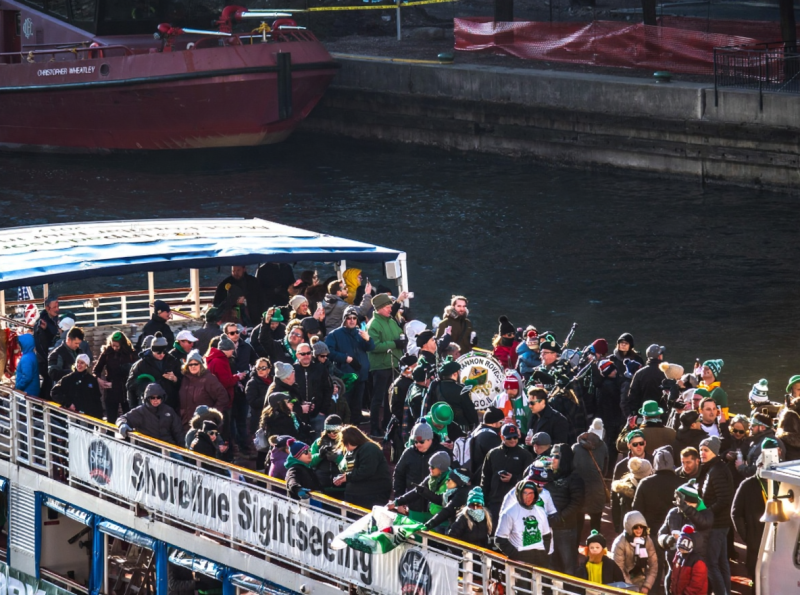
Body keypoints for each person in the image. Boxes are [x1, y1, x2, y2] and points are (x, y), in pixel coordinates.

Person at [731, 440, 776, 579]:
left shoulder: (781, 483)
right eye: (763, 465)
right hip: (756, 543)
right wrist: (748, 537)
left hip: (778, 542)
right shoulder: (747, 485)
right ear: (758, 466)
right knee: (756, 579)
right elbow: (735, 513)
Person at [658, 481, 713, 591]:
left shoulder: (705, 514)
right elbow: (661, 533)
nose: (681, 507)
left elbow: (703, 523)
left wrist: (686, 509)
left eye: (686, 503)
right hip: (674, 564)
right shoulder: (673, 513)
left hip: (693, 566)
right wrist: (666, 540)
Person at [324, 306, 374, 426]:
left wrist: (368, 339)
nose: (352, 320)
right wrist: (345, 358)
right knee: (346, 401)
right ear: (344, 319)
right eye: (349, 318)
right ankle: (344, 424)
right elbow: (328, 352)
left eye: (354, 318)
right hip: (345, 374)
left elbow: (371, 348)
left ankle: (356, 422)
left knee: (358, 401)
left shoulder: (360, 333)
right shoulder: (335, 334)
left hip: (361, 373)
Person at [697, 435, 733, 595]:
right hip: (721, 524)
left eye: (706, 450)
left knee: (711, 563)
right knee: (721, 562)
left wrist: (707, 514)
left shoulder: (717, 470)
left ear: (715, 452)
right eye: (701, 450)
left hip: (717, 524)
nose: (702, 453)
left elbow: (724, 499)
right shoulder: (715, 468)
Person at [392, 420, 449, 522]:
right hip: (415, 508)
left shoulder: (442, 453)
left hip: (437, 510)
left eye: (421, 441)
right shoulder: (408, 453)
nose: (418, 444)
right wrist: (400, 500)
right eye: (415, 442)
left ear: (430, 439)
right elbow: (398, 476)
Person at [366, 293, 405, 436]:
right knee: (378, 398)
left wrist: (403, 340)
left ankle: (387, 425)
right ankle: (374, 428)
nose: (391, 309)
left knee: (390, 398)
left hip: (393, 364)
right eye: (388, 307)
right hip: (381, 366)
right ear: (380, 308)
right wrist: (395, 343)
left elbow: (399, 334)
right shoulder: (373, 325)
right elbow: (374, 346)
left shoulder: (391, 320)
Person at [545, 442, 585, 575]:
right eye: (551, 456)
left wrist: (560, 517)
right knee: (550, 563)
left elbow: (577, 503)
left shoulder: (575, 477)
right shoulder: (547, 475)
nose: (552, 459)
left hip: (565, 528)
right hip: (547, 527)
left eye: (556, 456)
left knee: (568, 564)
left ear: (565, 458)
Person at [481, 423, 534, 525]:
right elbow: (485, 479)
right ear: (502, 437)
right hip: (496, 502)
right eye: (509, 438)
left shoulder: (525, 455)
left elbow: (530, 479)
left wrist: (513, 479)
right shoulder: (492, 454)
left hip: (516, 502)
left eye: (515, 437)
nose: (513, 440)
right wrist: (485, 501)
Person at [495, 479, 552, 567]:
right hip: (520, 558)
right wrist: (516, 555)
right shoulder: (509, 512)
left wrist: (544, 553)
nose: (528, 497)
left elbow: (547, 535)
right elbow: (500, 539)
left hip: (540, 558)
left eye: (531, 493)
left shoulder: (540, 511)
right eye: (525, 493)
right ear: (519, 494)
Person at [333, 426, 392, 508]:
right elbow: (348, 469)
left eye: (345, 443)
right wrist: (343, 477)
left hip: (373, 493)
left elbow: (366, 471)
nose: (345, 447)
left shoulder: (369, 448)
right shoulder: (352, 452)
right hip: (359, 494)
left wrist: (347, 477)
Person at [391, 451, 451, 524]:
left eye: (432, 467)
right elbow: (415, 492)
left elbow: (442, 500)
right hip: (434, 517)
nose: (430, 469)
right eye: (429, 466)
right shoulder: (431, 478)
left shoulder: (451, 480)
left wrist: (424, 491)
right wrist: (396, 502)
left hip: (445, 521)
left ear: (441, 468)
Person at [126, 332, 182, 411]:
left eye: (163, 352)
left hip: (169, 405)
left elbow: (182, 382)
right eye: (158, 353)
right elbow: (130, 386)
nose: (162, 355)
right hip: (148, 406)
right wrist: (148, 384)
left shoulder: (172, 361)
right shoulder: (141, 365)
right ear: (152, 351)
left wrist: (175, 379)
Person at [117, 383, 184, 446]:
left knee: (179, 458)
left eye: (158, 397)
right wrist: (122, 424)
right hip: (148, 449)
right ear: (148, 398)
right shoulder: (141, 411)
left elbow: (178, 432)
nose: (155, 400)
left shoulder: (169, 410)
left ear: (162, 398)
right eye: (152, 397)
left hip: (168, 447)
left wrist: (184, 450)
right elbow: (123, 418)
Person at [178, 350, 229, 429]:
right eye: (190, 364)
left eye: (196, 364)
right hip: (186, 424)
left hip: (204, 425)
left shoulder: (209, 379)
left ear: (201, 364)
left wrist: (211, 415)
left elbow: (223, 397)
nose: (193, 366)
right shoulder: (185, 379)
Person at [93, 331, 136, 424]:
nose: (115, 348)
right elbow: (96, 370)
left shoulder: (131, 354)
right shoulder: (107, 353)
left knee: (128, 419)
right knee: (111, 419)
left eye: (117, 346)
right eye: (113, 346)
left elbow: (135, 372)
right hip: (111, 390)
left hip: (126, 390)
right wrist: (99, 380)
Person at [572, 430, 608, 540]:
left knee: (577, 525)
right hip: (597, 489)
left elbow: (571, 469)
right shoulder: (603, 447)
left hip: (579, 490)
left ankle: (575, 550)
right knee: (596, 524)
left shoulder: (575, 448)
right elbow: (605, 470)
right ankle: (596, 550)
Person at [611, 510, 658, 594]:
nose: (639, 530)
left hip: (641, 579)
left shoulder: (647, 540)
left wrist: (647, 585)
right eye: (636, 527)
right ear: (629, 527)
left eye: (641, 527)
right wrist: (631, 588)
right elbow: (619, 570)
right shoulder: (619, 543)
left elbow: (653, 565)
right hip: (624, 582)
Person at [427, 357, 478, 431]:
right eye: (459, 372)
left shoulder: (436, 386)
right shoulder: (461, 389)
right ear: (454, 374)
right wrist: (474, 425)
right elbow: (469, 411)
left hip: (440, 425)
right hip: (459, 427)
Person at [294, 343, 332, 434]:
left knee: (319, 441)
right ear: (297, 355)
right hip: (299, 414)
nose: (306, 356)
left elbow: (328, 389)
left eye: (308, 353)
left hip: (318, 413)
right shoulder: (293, 370)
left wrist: (323, 410)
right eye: (303, 354)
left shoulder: (320, 368)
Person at [51, 353, 104, 419]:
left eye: (82, 363)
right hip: (73, 415)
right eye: (77, 362)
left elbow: (97, 399)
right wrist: (68, 404)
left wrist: (100, 416)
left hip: (89, 416)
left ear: (86, 365)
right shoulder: (68, 378)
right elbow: (54, 392)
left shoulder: (92, 380)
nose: (79, 365)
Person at [596, 357, 625, 473]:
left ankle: (608, 468)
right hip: (612, 418)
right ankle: (610, 469)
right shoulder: (610, 385)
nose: (615, 372)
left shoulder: (602, 384)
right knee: (612, 444)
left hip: (608, 418)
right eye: (611, 370)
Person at [611, 456, 653, 533]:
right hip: (637, 531)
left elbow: (615, 508)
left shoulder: (622, 486)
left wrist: (617, 527)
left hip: (625, 529)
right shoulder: (649, 489)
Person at [625, 344, 666, 417]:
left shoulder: (639, 373)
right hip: (661, 413)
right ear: (659, 356)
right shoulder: (665, 373)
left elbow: (632, 396)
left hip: (644, 413)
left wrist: (635, 413)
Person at [310, 415, 345, 496]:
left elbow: (353, 464)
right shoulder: (318, 442)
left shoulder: (346, 442)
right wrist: (319, 456)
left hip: (342, 487)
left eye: (335, 431)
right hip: (321, 487)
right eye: (329, 431)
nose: (332, 434)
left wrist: (337, 458)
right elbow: (309, 462)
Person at [467, 406, 504, 483]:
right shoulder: (489, 437)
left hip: (475, 475)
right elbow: (501, 456)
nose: (502, 425)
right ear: (494, 423)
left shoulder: (477, 431)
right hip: (483, 478)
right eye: (501, 422)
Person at [669, 525, 708, 595]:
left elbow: (697, 583)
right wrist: (672, 589)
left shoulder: (698, 562)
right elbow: (674, 574)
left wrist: (687, 593)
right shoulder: (678, 555)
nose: (680, 549)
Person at [245, 357, 272, 437]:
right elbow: (253, 402)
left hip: (272, 418)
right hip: (258, 418)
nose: (260, 370)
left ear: (269, 369)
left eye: (263, 368)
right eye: (258, 368)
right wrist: (269, 397)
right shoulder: (252, 383)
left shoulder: (274, 381)